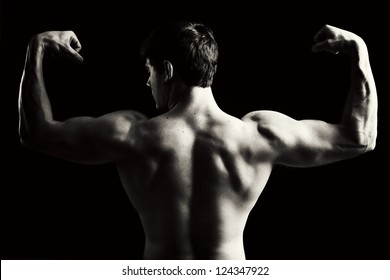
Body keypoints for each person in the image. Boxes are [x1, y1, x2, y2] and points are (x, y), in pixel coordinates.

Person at [18, 21, 377, 260]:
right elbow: (358, 138)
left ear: (168, 70)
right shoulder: (259, 134)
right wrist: (358, 49)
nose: (148, 83)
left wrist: (37, 48)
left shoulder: (131, 134)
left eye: (150, 72)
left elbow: (36, 133)